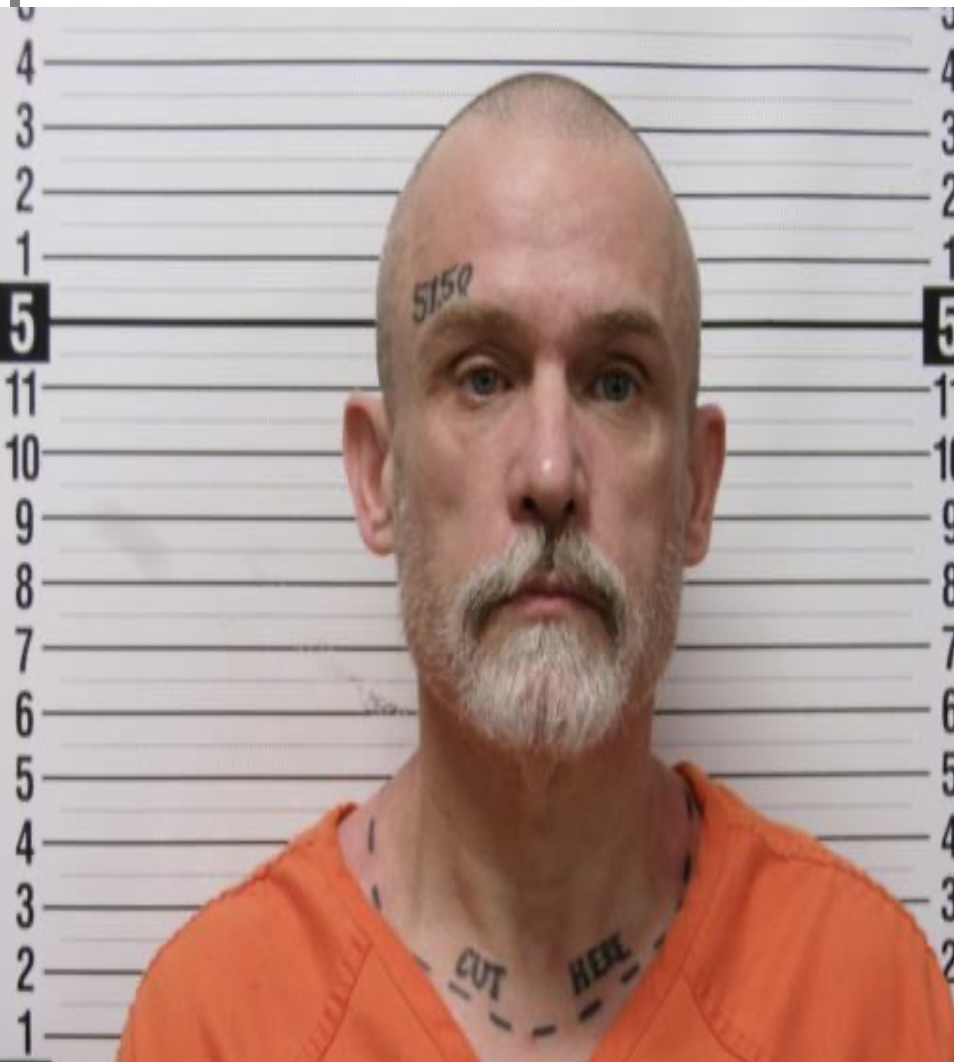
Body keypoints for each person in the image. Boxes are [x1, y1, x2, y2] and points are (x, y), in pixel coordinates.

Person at [116, 73, 953, 1061]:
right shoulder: (215, 1022)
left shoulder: (868, 1000)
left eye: (615, 383)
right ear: (378, 476)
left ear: (695, 489)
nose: (551, 474)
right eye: (481, 377)